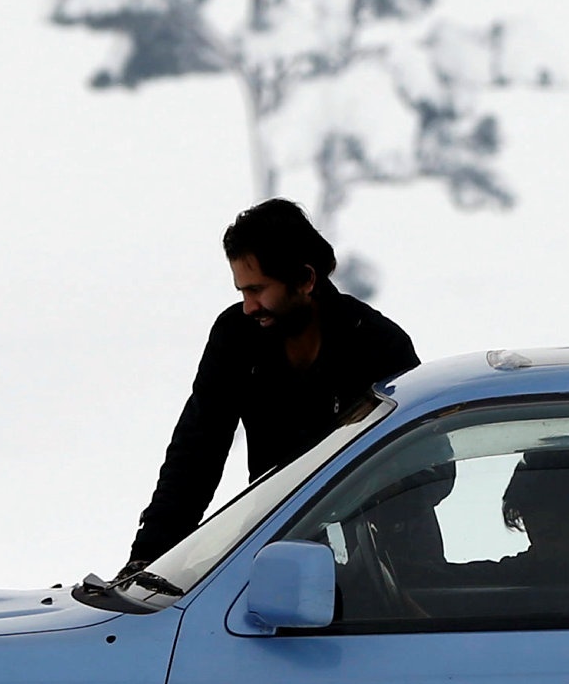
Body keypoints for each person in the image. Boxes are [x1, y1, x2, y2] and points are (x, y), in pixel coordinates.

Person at [125, 200, 419, 573]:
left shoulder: (378, 345)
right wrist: (149, 559)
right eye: (242, 292)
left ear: (306, 279)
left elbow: (426, 468)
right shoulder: (235, 336)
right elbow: (197, 452)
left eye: (258, 290)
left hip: (391, 577)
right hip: (282, 562)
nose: (249, 306)